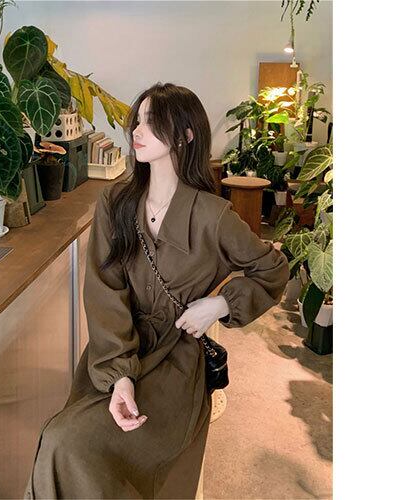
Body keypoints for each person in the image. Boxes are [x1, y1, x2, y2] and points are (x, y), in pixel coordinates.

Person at [24, 82, 290, 499]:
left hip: (175, 364)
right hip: (116, 351)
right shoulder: (115, 202)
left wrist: (220, 305)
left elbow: (272, 270)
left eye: (152, 122)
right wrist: (120, 377)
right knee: (63, 441)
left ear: (185, 135)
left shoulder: (212, 215)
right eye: (138, 121)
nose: (137, 130)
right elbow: (105, 292)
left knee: (72, 444)